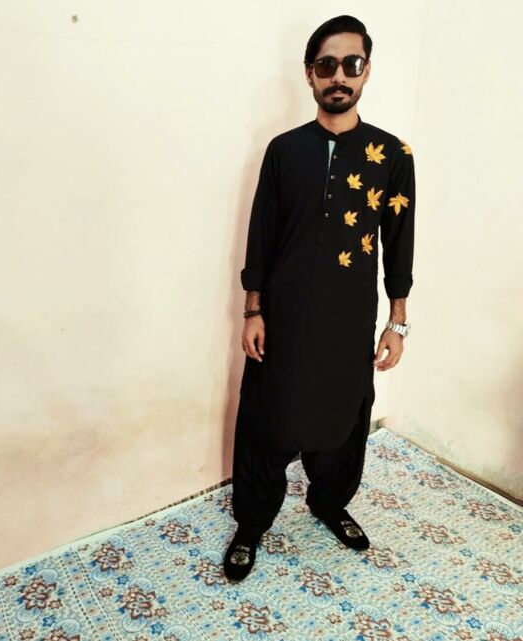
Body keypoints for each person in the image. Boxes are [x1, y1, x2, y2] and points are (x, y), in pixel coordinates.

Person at [224, 15, 416, 581]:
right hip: (283, 318)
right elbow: (262, 233)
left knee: (344, 415)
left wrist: (397, 322)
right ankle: (252, 522)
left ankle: (330, 503)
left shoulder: (392, 154)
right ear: (309, 74)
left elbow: (400, 242)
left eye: (351, 65)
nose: (339, 77)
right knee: (266, 418)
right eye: (327, 65)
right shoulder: (284, 151)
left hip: (349, 320)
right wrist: (253, 309)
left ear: (367, 71)